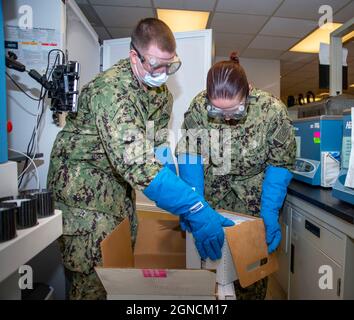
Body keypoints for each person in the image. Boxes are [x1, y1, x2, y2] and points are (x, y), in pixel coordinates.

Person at [47, 18, 233, 300]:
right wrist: (195, 207)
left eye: (170, 65)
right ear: (134, 56)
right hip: (82, 200)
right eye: (155, 65)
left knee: (118, 277)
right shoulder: (110, 92)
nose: (162, 73)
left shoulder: (159, 95)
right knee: (94, 282)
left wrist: (183, 202)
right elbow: (139, 165)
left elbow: (157, 151)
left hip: (117, 195)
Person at [176, 52, 296, 300]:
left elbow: (280, 163)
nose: (227, 117)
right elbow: (190, 154)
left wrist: (270, 213)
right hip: (211, 203)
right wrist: (193, 206)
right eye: (217, 112)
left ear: (248, 92)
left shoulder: (272, 111)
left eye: (234, 111)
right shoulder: (199, 106)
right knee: (210, 277)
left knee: (250, 279)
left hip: (253, 206)